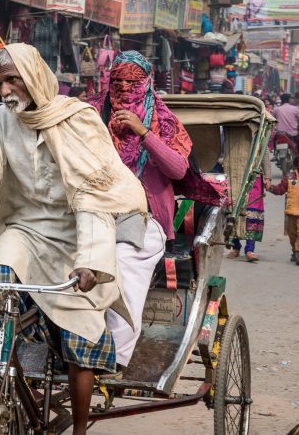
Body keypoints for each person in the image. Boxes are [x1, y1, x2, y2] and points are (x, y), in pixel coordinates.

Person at [0, 44, 147, 435]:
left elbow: (93, 196)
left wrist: (90, 260)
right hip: (25, 229)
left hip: (78, 231)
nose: (4, 90)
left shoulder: (79, 119)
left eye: (11, 79)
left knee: (80, 334)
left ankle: (81, 429)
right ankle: (7, 382)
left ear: (33, 77)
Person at [87, 50, 192, 367]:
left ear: (146, 83)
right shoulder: (93, 113)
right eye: (117, 82)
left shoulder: (164, 121)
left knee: (123, 258)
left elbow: (178, 170)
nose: (124, 88)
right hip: (93, 208)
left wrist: (143, 132)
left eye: (132, 83)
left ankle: (115, 359)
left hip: (144, 216)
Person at [228, 148, 271, 262]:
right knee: (233, 212)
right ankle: (235, 246)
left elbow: (264, 155)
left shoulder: (260, 132)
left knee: (252, 213)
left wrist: (267, 177)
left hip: (254, 178)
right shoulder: (233, 131)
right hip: (235, 177)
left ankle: (250, 249)